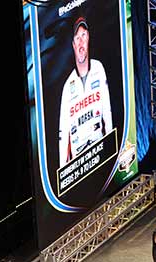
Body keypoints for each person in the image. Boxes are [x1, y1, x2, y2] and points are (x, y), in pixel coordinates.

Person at [59, 16, 113, 166]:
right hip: (80, 163)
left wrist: (111, 150)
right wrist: (64, 168)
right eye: (77, 38)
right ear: (73, 45)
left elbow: (107, 112)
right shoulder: (67, 86)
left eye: (83, 35)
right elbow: (63, 133)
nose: (81, 42)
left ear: (88, 38)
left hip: (100, 153)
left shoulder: (98, 69)